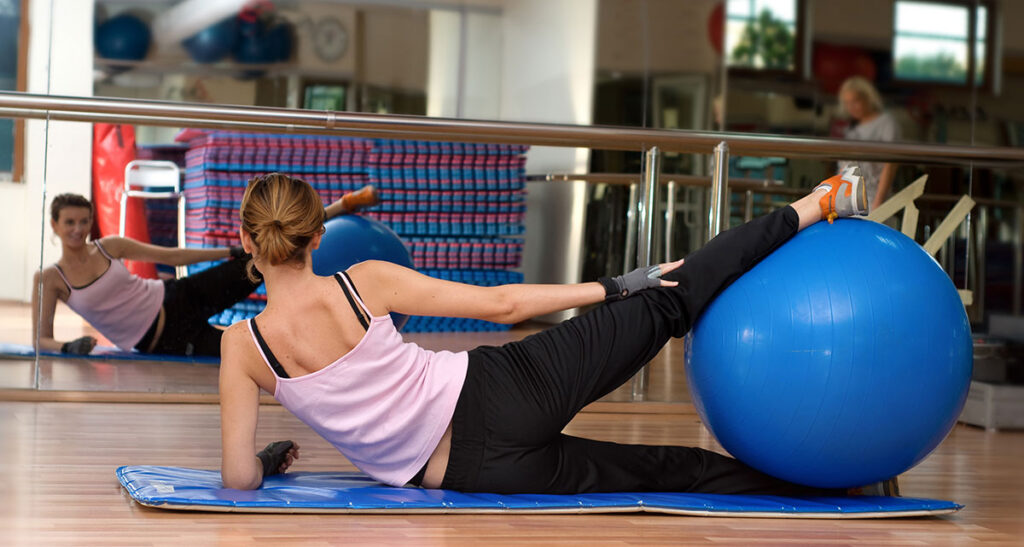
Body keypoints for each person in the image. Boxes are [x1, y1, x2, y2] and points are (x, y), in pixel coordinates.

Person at [219, 170, 874, 496]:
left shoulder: (243, 348)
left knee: (666, 472)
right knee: (671, 296)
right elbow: (503, 304)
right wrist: (621, 285)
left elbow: (237, 475)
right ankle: (819, 202)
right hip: (507, 388)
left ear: (245, 240)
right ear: (318, 234)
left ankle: (825, 491)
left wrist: (269, 463)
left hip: (478, 471)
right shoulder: (363, 280)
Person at [32, 185, 378, 357]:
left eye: (83, 220)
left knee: (264, 256)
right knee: (258, 349)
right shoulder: (50, 279)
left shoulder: (110, 246)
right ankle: (346, 350)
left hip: (179, 297)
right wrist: (67, 347)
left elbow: (174, 255)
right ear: (55, 225)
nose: (77, 229)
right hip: (166, 341)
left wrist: (229, 250)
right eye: (69, 223)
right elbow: (40, 339)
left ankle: (339, 206)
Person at [837, 76, 901, 210]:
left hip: (871, 199)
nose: (851, 107)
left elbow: (890, 164)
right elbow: (844, 166)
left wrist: (878, 203)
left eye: (855, 101)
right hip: (846, 198)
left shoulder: (886, 123)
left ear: (868, 98)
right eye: (847, 103)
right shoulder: (851, 128)